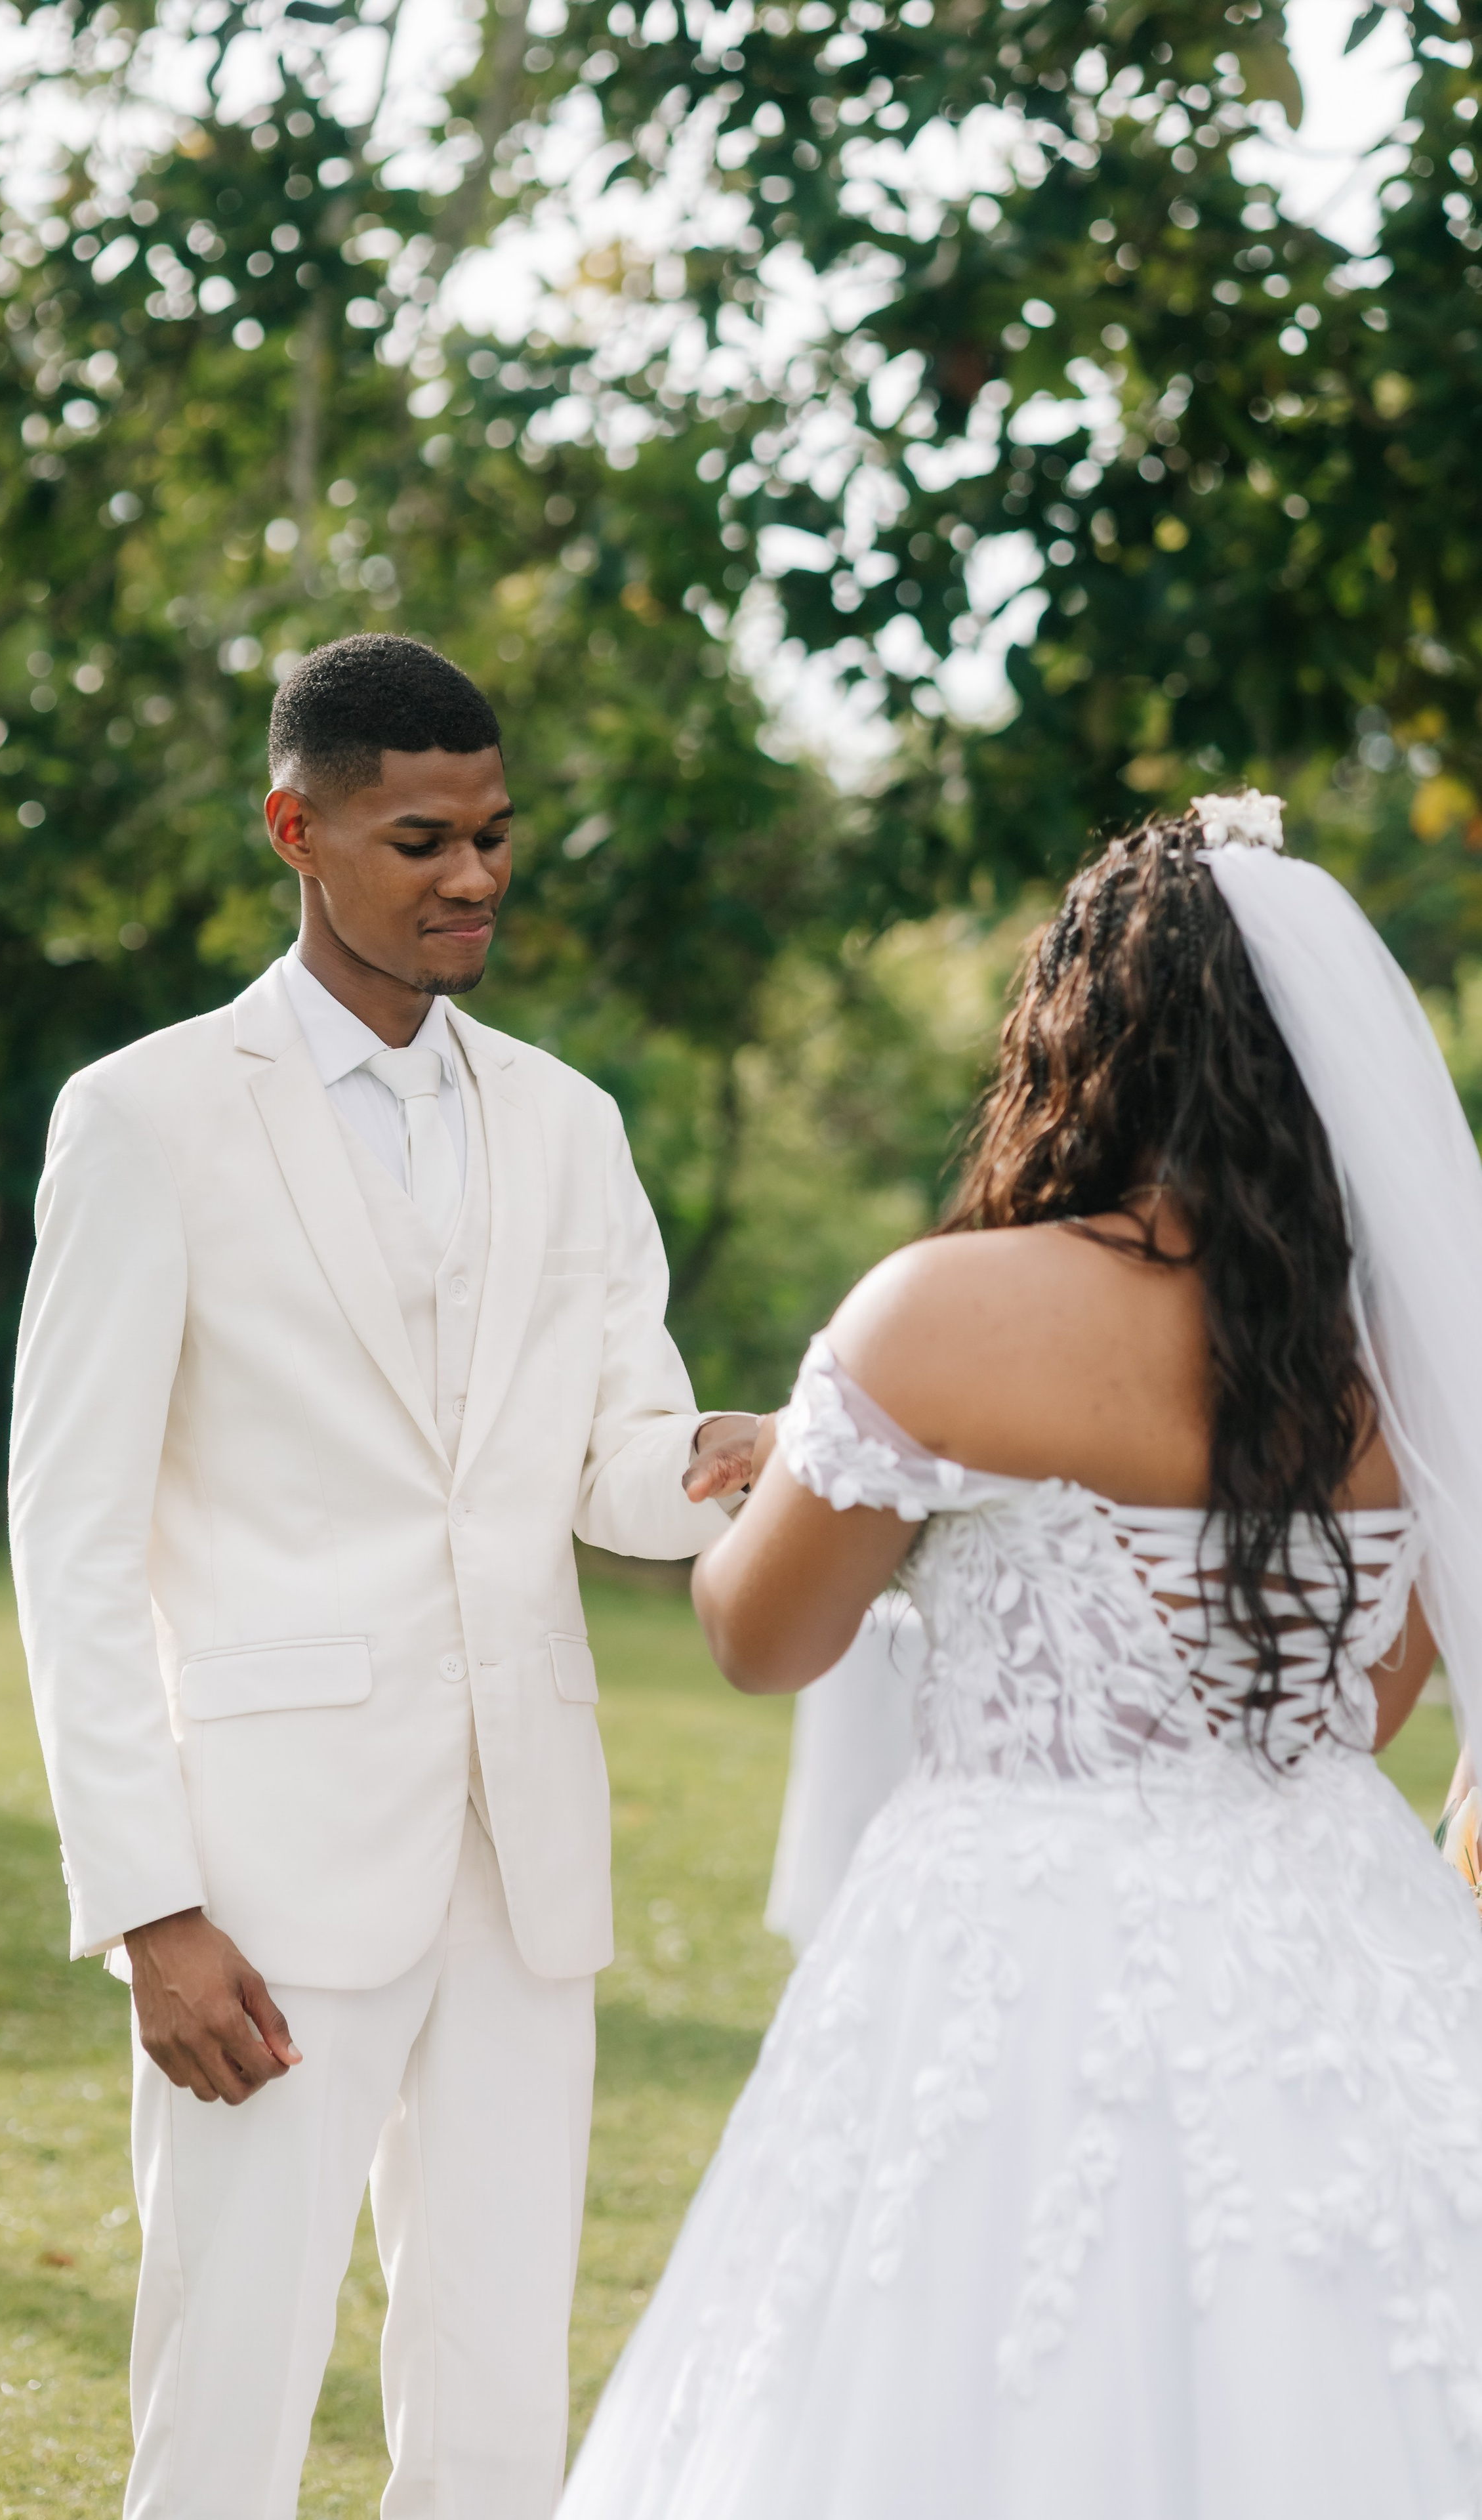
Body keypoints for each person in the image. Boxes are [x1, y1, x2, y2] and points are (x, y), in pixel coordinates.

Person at [560, 794, 1482, 2520]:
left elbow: (764, 1637)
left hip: (1008, 1940)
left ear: (1087, 1038)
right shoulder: (1408, 1369)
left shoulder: (945, 1316)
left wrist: (824, 1490)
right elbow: (1363, 1707)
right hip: (1338, 1932)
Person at [7, 633, 758, 2520]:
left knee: (500, 2385)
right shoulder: (149, 1117)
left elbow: (616, 1461)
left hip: (527, 1856)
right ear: (298, 829)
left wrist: (731, 1463)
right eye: (424, 839)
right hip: (261, 1875)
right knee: (231, 2373)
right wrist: (146, 1908)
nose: (476, 877)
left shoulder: (571, 1125)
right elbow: (72, 1540)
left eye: (498, 836)